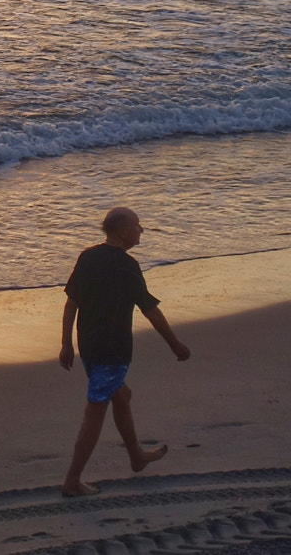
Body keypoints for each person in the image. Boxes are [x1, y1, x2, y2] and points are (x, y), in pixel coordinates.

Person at [58, 205, 189, 496]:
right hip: (112, 350)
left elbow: (72, 304)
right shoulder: (126, 266)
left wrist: (67, 343)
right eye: (137, 225)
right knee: (95, 412)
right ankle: (72, 481)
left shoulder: (88, 257)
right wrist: (175, 344)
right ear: (122, 231)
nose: (141, 230)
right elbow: (150, 310)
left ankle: (137, 456)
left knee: (122, 394)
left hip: (89, 347)